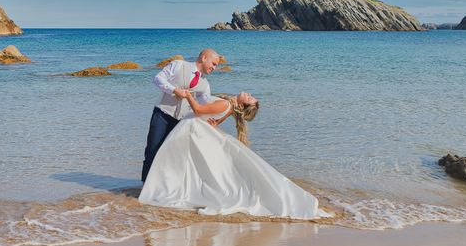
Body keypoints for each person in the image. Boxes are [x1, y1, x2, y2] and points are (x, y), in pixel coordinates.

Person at [139, 91, 330, 219]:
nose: (248, 94)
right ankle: (158, 188)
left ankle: (155, 190)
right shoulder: (227, 106)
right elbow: (210, 119)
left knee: (175, 166)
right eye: (251, 96)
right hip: (191, 131)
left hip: (188, 131)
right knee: (182, 168)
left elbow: (198, 110)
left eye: (250, 98)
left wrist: (187, 94)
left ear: (243, 104)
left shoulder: (224, 105)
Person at [141, 48, 221, 182]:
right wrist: (174, 90)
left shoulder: (205, 85)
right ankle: (145, 186)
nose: (214, 68)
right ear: (204, 58)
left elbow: (204, 106)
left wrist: (213, 120)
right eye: (213, 64)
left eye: (216, 66)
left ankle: (163, 186)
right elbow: (158, 78)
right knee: (152, 150)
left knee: (173, 155)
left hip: (182, 122)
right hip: (162, 114)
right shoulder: (179, 65)